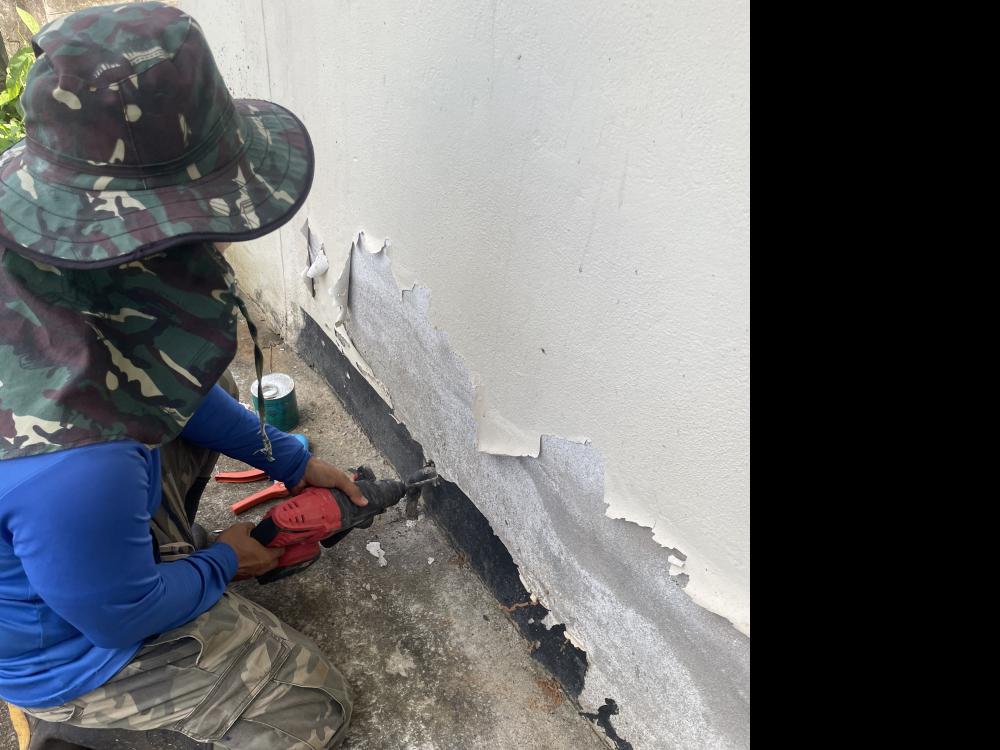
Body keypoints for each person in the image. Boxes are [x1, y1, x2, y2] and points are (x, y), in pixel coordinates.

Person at [0, 3, 364, 748]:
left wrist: (286, 458)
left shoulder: (38, 225)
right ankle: (77, 722)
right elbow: (117, 614)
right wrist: (225, 560)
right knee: (311, 706)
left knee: (203, 391)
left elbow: (164, 382)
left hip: (64, 523)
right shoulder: (75, 459)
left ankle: (132, 556)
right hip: (59, 644)